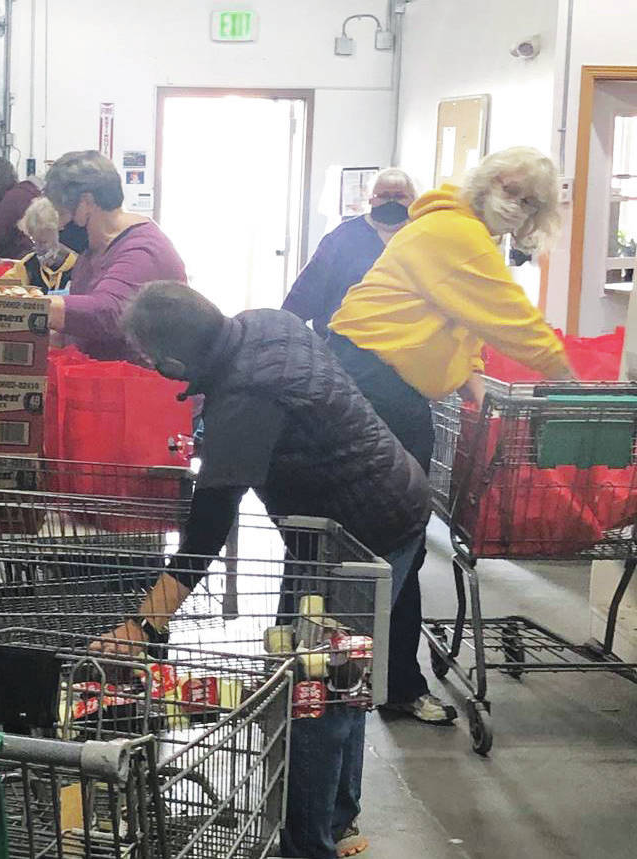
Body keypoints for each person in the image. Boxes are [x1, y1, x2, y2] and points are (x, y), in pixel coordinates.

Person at [106, 280, 432, 859]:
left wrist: (142, 626)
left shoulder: (245, 400)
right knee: (332, 677)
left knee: (313, 694)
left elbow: (206, 531)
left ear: (178, 361)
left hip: (362, 539)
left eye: (152, 360)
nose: (151, 367)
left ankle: (309, 846)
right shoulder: (264, 322)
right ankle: (335, 821)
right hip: (368, 512)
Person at [328, 146, 575, 724]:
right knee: (394, 541)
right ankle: (355, 680)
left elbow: (442, 316)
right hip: (376, 387)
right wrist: (571, 381)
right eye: (510, 190)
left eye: (529, 201)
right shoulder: (454, 233)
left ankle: (382, 679)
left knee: (392, 544)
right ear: (486, 182)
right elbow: (510, 316)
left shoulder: (447, 229)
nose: (516, 205)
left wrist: (467, 378)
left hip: (370, 379)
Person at [41, 150, 187, 361]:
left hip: (137, 387)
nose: (61, 226)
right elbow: (78, 329)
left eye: (63, 214)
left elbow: (107, 313)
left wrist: (26, 306)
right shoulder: (94, 250)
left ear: (87, 203)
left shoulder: (143, 250)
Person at [283, 169, 418, 336]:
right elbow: (307, 291)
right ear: (371, 199)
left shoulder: (422, 238)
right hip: (344, 344)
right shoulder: (342, 237)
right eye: (383, 196)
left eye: (399, 196)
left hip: (404, 344)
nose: (391, 202)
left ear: (413, 200)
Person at [8, 197, 78, 293]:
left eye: (44, 242)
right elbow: (4, 286)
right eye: (34, 241)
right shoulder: (27, 266)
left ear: (59, 231)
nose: (39, 248)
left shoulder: (78, 266)